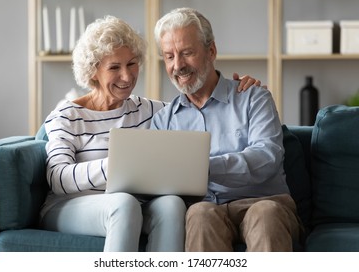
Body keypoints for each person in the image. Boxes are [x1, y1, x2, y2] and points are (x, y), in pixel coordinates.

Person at [39, 15, 260, 252]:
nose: (127, 76)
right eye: (114, 67)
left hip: (134, 205)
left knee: (172, 205)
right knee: (123, 204)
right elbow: (58, 178)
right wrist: (117, 166)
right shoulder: (68, 115)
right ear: (93, 71)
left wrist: (241, 92)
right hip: (70, 206)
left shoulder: (152, 111)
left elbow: (202, 111)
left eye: (132, 64)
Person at [150, 7, 302, 252]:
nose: (178, 65)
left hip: (264, 201)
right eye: (169, 56)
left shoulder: (253, 97)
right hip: (206, 208)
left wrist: (204, 167)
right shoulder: (163, 120)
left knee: (265, 214)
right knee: (199, 214)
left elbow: (267, 157)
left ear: (211, 51)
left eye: (187, 53)